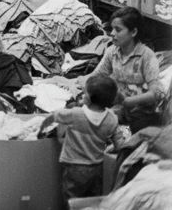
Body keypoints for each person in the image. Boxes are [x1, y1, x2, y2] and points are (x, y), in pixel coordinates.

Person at [39, 75, 124, 203]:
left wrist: (41, 129)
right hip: (97, 167)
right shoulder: (112, 118)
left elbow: (55, 115)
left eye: (85, 92)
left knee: (72, 200)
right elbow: (119, 143)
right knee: (92, 200)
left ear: (89, 98)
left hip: (74, 166)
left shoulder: (76, 114)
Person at [87, 7, 164, 133]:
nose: (112, 33)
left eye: (118, 30)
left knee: (138, 127)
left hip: (142, 110)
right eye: (112, 29)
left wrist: (130, 101)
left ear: (133, 32)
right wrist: (78, 84)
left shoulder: (147, 56)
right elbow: (97, 75)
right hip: (119, 106)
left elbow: (155, 93)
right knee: (87, 111)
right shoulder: (112, 51)